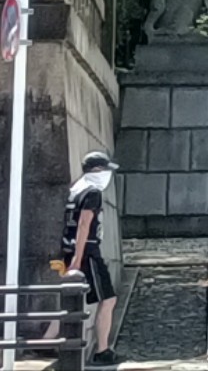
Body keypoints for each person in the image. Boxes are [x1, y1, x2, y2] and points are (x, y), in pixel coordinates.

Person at [61, 152, 123, 366]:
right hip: (87, 252)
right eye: (105, 170)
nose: (107, 175)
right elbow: (84, 224)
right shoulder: (92, 192)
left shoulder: (75, 189)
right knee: (108, 299)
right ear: (97, 170)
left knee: (69, 298)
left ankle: (46, 340)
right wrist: (78, 259)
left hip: (70, 248)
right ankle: (102, 350)